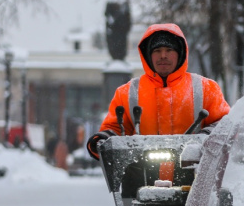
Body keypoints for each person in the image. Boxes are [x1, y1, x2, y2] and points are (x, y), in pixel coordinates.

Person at [86, 23, 230, 160]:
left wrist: (205, 137)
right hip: (139, 176)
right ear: (148, 55)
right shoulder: (127, 92)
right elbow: (115, 128)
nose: (163, 56)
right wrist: (101, 140)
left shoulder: (205, 88)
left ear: (180, 53)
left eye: (169, 50)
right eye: (157, 51)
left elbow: (225, 125)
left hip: (194, 175)